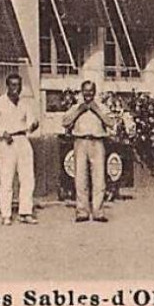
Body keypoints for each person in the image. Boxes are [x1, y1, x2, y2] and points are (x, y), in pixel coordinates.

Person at [0, 73, 39, 225]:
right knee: (7, 178)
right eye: (13, 85)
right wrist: (2, 133)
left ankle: (25, 212)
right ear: (7, 86)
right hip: (6, 142)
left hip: (22, 140)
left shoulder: (25, 103)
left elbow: (32, 120)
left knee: (27, 178)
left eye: (18, 85)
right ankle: (6, 214)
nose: (16, 89)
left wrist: (33, 125)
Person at [61, 80, 121, 223]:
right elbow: (65, 122)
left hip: (97, 142)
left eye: (91, 90)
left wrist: (97, 111)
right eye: (85, 91)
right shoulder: (76, 107)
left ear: (94, 92)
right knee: (80, 177)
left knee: (99, 177)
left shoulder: (102, 107)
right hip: (80, 142)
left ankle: (98, 212)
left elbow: (112, 123)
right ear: (82, 92)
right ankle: (82, 211)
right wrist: (79, 111)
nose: (88, 94)